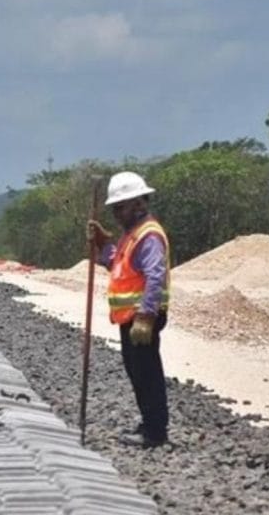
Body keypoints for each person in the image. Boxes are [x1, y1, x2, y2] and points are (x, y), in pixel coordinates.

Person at [87, 171, 171, 448]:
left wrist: (146, 316)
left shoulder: (148, 235)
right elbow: (119, 266)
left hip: (142, 316)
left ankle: (155, 432)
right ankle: (149, 423)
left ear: (139, 203)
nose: (116, 214)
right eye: (115, 209)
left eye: (120, 208)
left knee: (146, 373)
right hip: (130, 316)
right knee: (137, 371)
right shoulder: (131, 235)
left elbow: (155, 276)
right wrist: (103, 243)